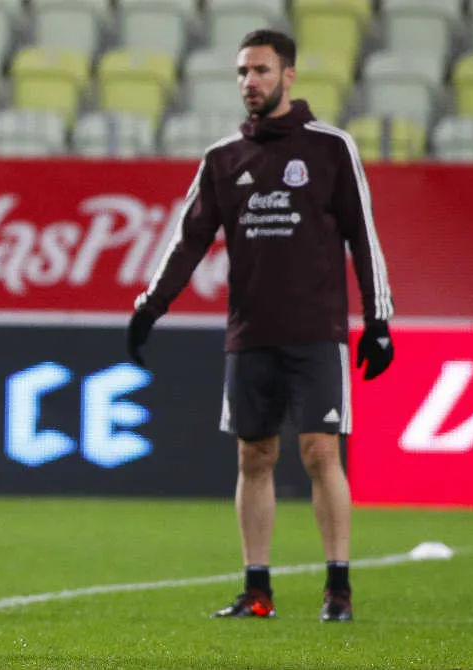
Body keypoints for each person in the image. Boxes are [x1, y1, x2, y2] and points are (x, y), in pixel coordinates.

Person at [127, 29, 394, 623]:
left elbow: (363, 235)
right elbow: (188, 239)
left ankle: (338, 590)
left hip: (317, 332)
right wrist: (150, 306)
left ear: (289, 76)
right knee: (255, 456)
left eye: (262, 71)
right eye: (243, 72)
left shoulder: (330, 148)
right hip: (251, 335)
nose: (250, 82)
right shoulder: (223, 158)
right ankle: (257, 589)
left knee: (322, 451)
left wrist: (379, 320)